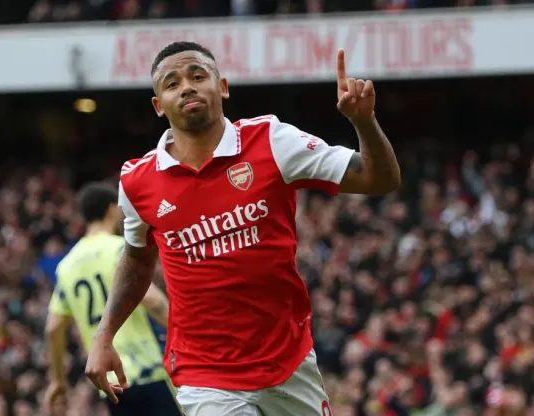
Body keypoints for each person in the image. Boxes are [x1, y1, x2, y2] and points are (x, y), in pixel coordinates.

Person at [85, 41, 401, 416]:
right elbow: (137, 261)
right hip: (205, 375)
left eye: (198, 76)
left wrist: (363, 122)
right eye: (171, 84)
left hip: (287, 360)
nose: (186, 87)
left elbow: (379, 180)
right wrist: (104, 335)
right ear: (158, 105)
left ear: (223, 87)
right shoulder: (138, 181)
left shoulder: (272, 140)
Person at [44, 182, 181, 416]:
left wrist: (57, 381)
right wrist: (189, 336)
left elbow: (53, 329)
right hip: (149, 370)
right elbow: (154, 302)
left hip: (110, 383)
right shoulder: (121, 250)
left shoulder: (66, 266)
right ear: (111, 210)